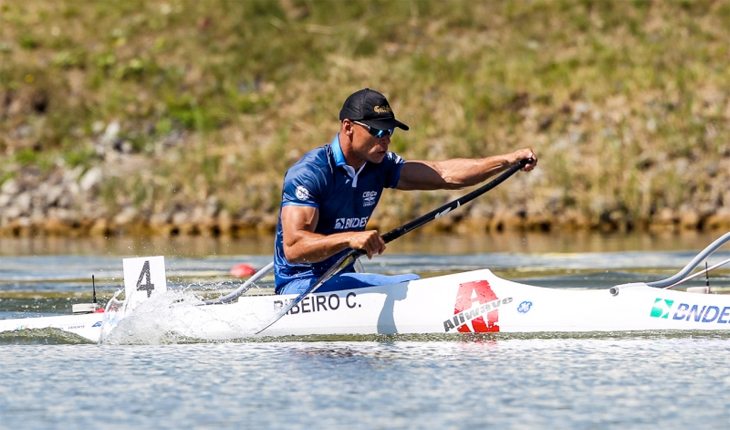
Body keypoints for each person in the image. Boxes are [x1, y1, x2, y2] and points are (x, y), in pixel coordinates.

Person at [273, 88, 537, 295]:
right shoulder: (311, 172)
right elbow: (294, 248)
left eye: (389, 131)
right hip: (300, 286)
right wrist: (350, 238)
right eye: (376, 130)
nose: (385, 139)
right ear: (348, 127)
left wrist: (508, 159)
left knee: (409, 282)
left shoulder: (379, 166)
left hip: (341, 279)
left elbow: (444, 174)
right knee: (407, 285)